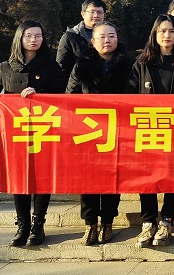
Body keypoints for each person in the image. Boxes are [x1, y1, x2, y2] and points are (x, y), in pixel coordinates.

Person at [0, 20, 64, 247]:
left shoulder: (51, 66)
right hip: (17, 133)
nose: (34, 40)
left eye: (38, 36)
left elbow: (63, 92)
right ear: (20, 38)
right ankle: (22, 224)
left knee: (42, 177)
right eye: (29, 36)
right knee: (19, 176)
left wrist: (40, 92)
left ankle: (38, 224)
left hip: (44, 131)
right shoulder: (6, 67)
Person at [129, 14, 174, 247]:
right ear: (155, 34)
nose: (167, 35)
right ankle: (148, 222)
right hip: (147, 128)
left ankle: (167, 221)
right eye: (162, 31)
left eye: (172, 31)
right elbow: (128, 94)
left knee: (172, 177)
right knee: (146, 177)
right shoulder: (141, 62)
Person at [66, 21, 131, 245]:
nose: (107, 40)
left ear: (117, 39)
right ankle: (90, 223)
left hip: (118, 130)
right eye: (102, 37)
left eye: (111, 36)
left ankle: (108, 222)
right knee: (88, 178)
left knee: (112, 177)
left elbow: (135, 95)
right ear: (92, 42)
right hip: (88, 130)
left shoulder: (128, 63)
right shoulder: (82, 64)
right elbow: (70, 95)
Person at [56, 0, 106, 79]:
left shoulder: (110, 35)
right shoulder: (71, 36)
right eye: (92, 12)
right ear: (83, 14)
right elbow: (62, 67)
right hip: (77, 83)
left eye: (99, 12)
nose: (96, 15)